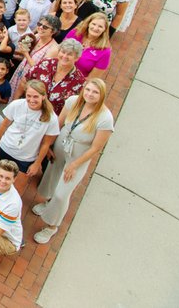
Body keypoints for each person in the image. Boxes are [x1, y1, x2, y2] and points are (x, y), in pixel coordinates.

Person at [32, 78, 115, 243]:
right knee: (53, 176)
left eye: (95, 92)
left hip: (79, 155)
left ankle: (51, 226)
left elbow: (95, 148)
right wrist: (48, 144)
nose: (90, 94)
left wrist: (74, 165)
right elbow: (58, 123)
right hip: (62, 145)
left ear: (102, 95)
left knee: (62, 193)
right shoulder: (72, 102)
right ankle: (48, 202)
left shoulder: (105, 118)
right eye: (88, 90)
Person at [0, 80, 60, 194]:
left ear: (43, 96)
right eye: (28, 96)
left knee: (17, 190)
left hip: (25, 158)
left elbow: (46, 144)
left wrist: (37, 163)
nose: (31, 100)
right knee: (1, 182)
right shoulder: (17, 105)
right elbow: (4, 124)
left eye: (36, 96)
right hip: (6, 148)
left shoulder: (51, 118)